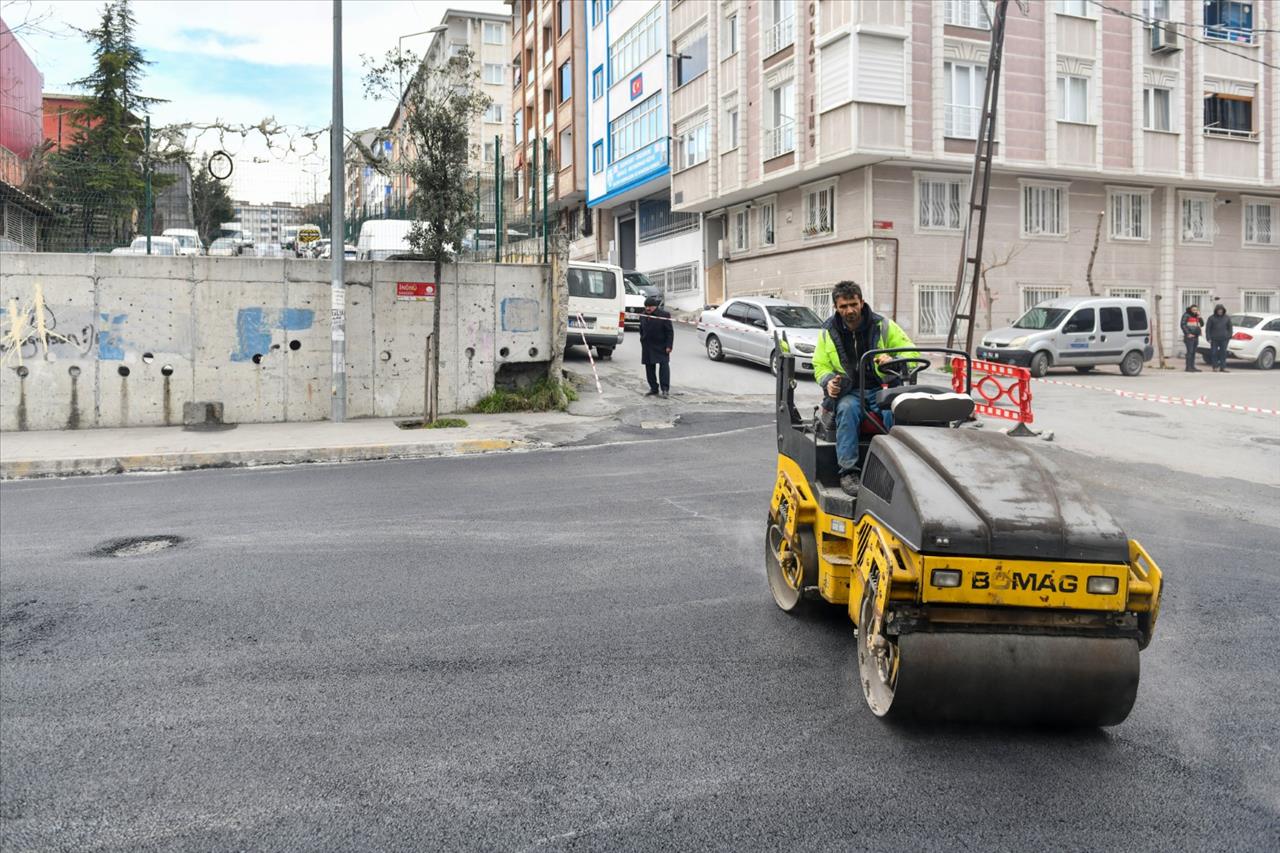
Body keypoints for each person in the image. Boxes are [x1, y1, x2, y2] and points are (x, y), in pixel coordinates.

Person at [813, 280, 918, 496]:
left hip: (884, 387)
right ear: (836, 307)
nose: (849, 310)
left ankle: (899, 470)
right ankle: (848, 472)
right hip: (851, 391)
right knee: (847, 409)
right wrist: (829, 381)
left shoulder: (883, 325)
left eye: (853, 304)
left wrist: (894, 360)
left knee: (893, 411)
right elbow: (820, 365)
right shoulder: (827, 332)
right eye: (843, 306)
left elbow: (912, 354)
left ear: (862, 302)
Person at [638, 295, 673, 398]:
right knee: (649, 368)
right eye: (646, 306)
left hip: (661, 345)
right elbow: (641, 329)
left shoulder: (664, 315)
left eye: (650, 306)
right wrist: (642, 339)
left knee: (664, 367)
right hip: (647, 345)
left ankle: (665, 389)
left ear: (655, 307)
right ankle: (653, 388)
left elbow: (669, 332)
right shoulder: (643, 315)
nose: (648, 308)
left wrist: (669, 346)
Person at [1205, 304, 1233, 373]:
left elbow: (1230, 328)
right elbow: (1208, 329)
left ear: (1223, 310)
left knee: (1223, 353)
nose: (1220, 311)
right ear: (1216, 310)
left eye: (1221, 310)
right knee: (1214, 353)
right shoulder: (1211, 318)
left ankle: (1223, 367)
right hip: (1214, 339)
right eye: (1218, 310)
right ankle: (1215, 367)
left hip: (1224, 339)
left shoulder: (1227, 318)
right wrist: (1208, 337)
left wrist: (1229, 336)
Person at [1180, 304, 1203, 372]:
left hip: (1196, 336)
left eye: (1196, 310)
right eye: (1193, 310)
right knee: (1190, 352)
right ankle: (1188, 367)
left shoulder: (1196, 316)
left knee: (1193, 352)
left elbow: (1201, 324)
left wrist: (1199, 317)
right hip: (1189, 336)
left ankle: (1192, 366)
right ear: (1190, 310)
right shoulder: (1186, 315)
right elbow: (1183, 325)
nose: (1195, 311)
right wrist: (1188, 334)